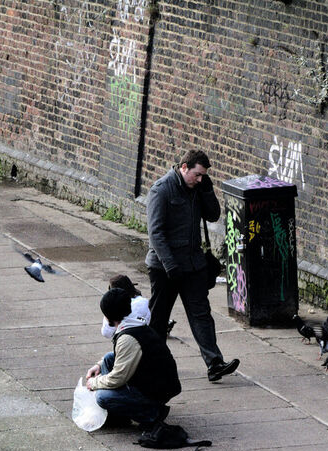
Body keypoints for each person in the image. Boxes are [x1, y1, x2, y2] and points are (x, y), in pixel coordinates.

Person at [145, 149, 240, 382]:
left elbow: (213, 215)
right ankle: (152, 364)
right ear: (184, 167)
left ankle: (214, 363)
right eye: (197, 175)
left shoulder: (198, 189)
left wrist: (207, 190)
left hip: (193, 264)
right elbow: (155, 233)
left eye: (203, 176)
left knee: (202, 315)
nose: (199, 179)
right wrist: (170, 266)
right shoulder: (161, 190)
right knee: (159, 318)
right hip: (165, 267)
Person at [86, 288, 181, 430]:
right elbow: (123, 356)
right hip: (155, 381)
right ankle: (119, 413)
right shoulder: (134, 323)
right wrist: (99, 365)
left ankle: (152, 413)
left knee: (103, 397)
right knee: (108, 359)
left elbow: (117, 378)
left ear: (107, 316)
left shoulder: (128, 338)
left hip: (156, 391)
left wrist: (94, 383)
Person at [101, 274, 150, 339]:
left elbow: (106, 333)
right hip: (146, 337)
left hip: (125, 340)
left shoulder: (118, 308)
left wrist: (107, 313)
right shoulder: (144, 302)